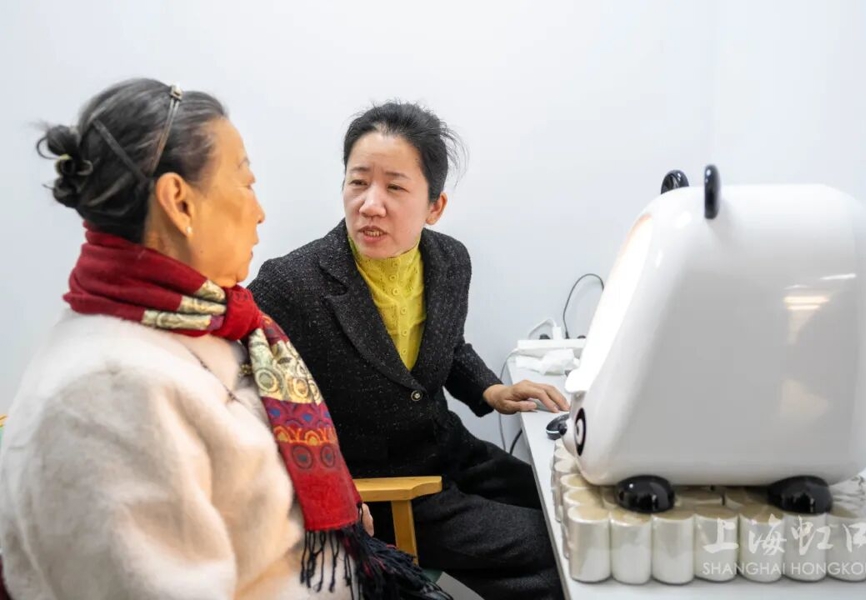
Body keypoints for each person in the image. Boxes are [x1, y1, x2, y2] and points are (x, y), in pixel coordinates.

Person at [0, 79, 446, 600]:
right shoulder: (104, 393)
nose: (259, 212)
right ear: (179, 202)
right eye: (246, 183)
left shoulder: (208, 320)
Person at [249, 102, 569, 599]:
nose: (370, 205)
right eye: (358, 182)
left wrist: (491, 390)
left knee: (569, 505)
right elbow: (246, 397)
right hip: (389, 493)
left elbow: (448, 346)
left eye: (395, 188)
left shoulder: (449, 260)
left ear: (434, 206)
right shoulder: (290, 284)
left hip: (454, 452)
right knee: (563, 547)